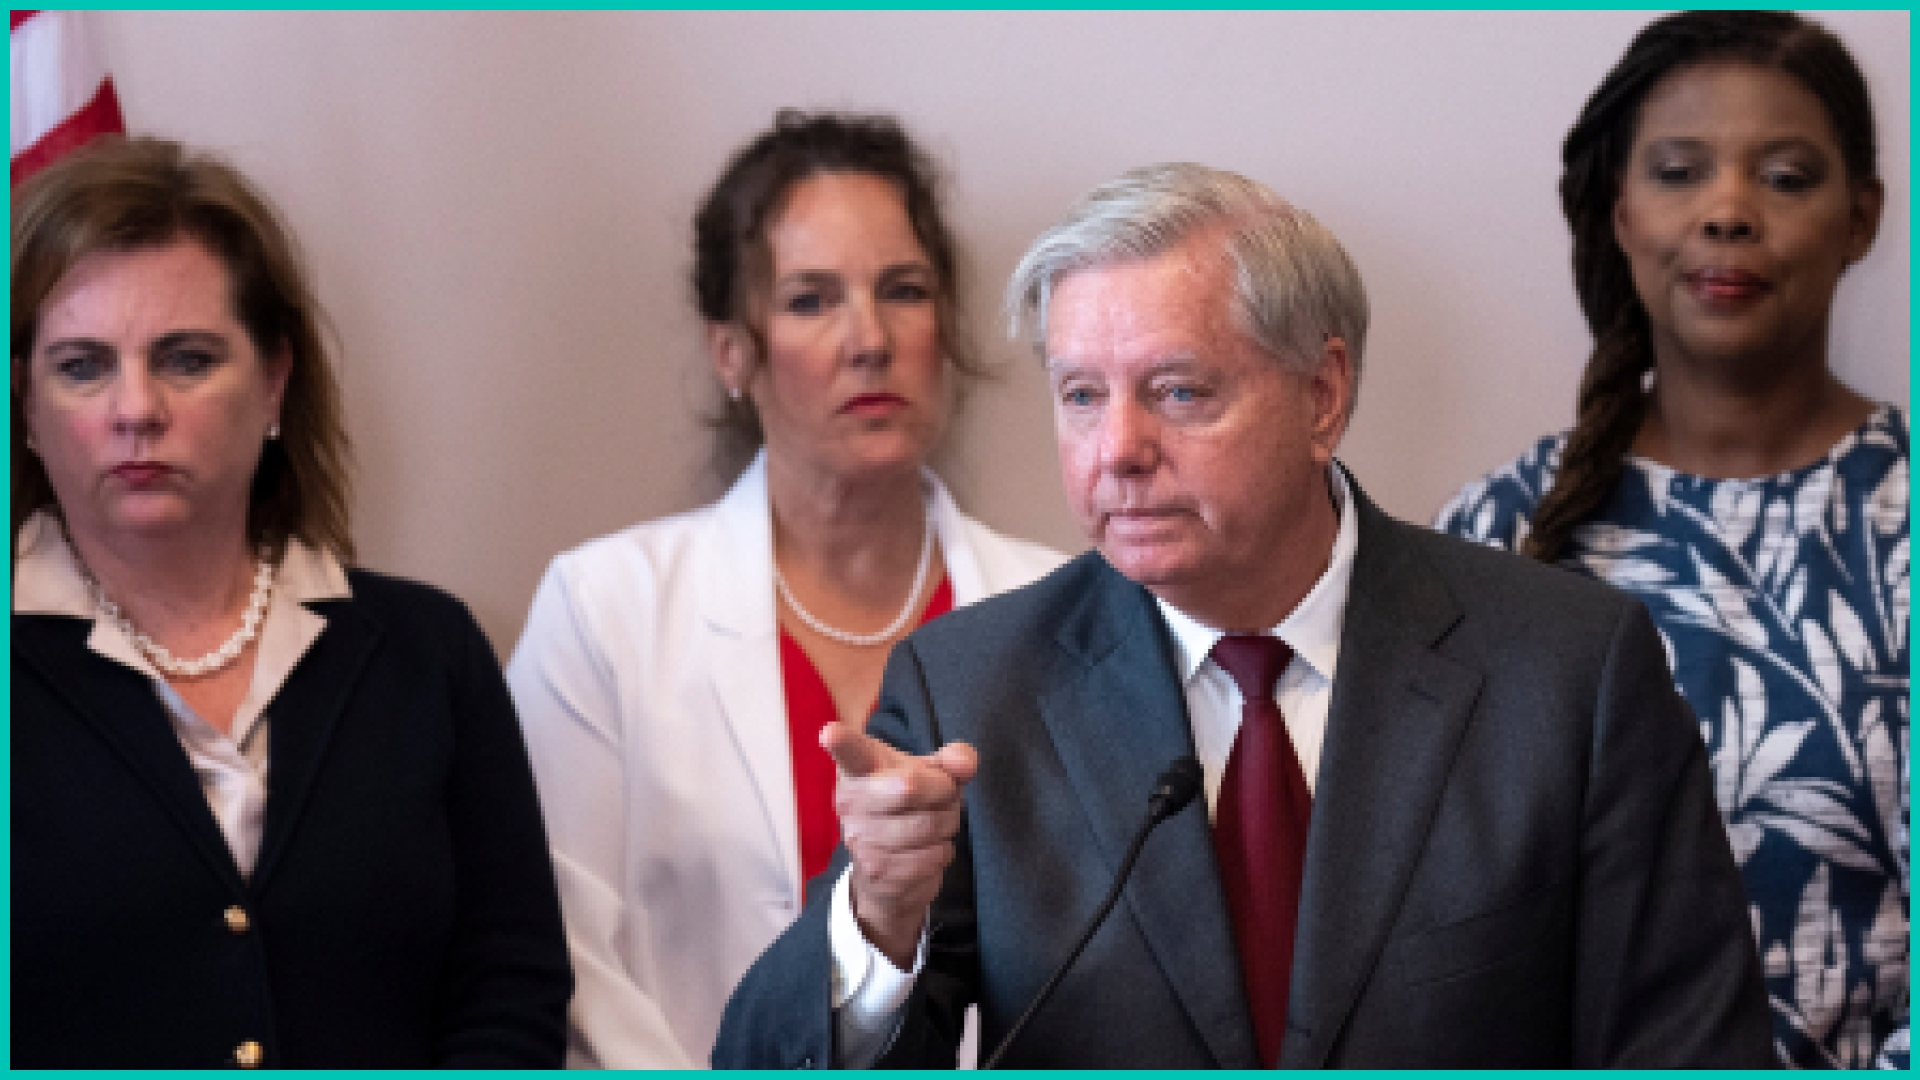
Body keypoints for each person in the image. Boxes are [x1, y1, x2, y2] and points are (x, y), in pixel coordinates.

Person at [711, 162, 1777, 1069]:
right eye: (1081, 395)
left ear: (1322, 395)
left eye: (1176, 392)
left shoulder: (1569, 672)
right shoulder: (975, 690)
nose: (1116, 448)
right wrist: (879, 917)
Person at [506, 109, 1064, 1069]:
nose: (871, 339)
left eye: (904, 290)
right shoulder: (605, 609)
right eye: (812, 300)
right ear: (734, 350)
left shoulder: (1055, 606)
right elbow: (561, 955)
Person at [10, 136, 572, 1068]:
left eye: (186, 359)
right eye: (82, 367)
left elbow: (508, 984)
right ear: (24, 407)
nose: (136, 408)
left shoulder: (426, 651)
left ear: (274, 380)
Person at [1433, 11, 1906, 1069]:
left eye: (1784, 177)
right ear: (1620, 213)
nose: (1729, 212)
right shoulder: (1493, 536)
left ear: (1861, 217)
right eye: (1682, 172)